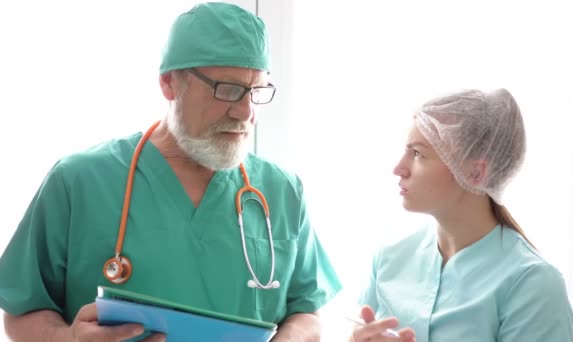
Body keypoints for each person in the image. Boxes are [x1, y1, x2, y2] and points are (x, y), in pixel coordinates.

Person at [0, 3, 342, 341]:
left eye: (256, 91)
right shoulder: (78, 182)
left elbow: (306, 309)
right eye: (228, 90)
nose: (245, 112)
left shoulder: (282, 191)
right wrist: (68, 340)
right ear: (169, 83)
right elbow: (21, 311)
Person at [349, 88, 573, 341]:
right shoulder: (388, 259)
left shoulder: (533, 284)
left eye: (417, 154)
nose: (398, 168)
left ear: (475, 173)